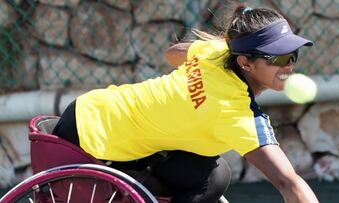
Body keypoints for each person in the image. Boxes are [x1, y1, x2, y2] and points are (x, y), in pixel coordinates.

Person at [52, 4, 319, 203]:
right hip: (92, 141)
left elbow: (171, 54)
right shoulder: (237, 114)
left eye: (292, 54)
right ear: (244, 62)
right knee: (211, 180)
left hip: (86, 111)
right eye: (277, 58)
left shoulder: (216, 52)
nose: (289, 65)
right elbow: (288, 182)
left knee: (212, 173)